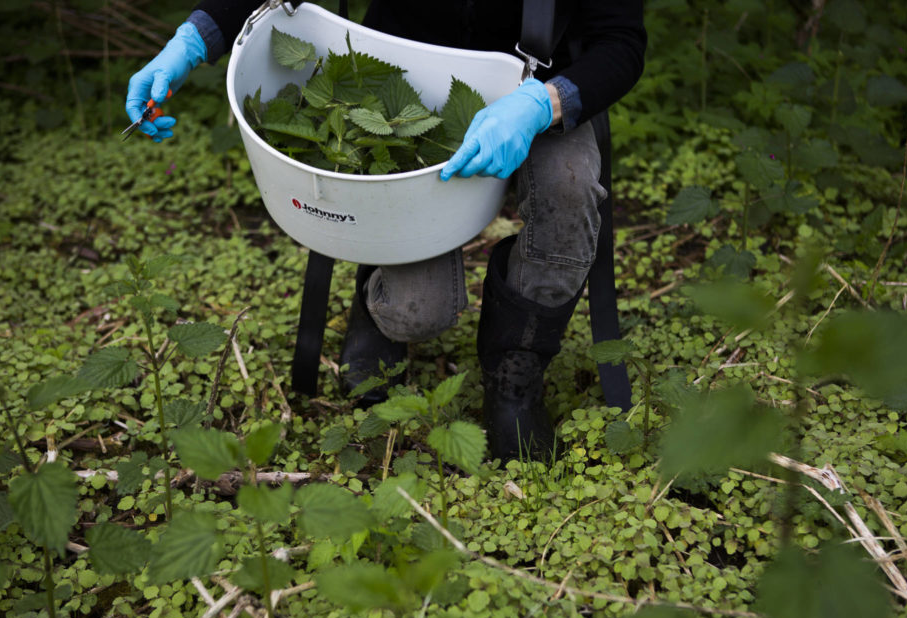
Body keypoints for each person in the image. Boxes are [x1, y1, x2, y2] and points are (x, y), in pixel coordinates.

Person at [125, 1, 646, 462]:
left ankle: (517, 372)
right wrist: (193, 40)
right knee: (417, 310)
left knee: (569, 187)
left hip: (541, 87)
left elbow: (620, 42)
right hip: (404, 86)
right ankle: (377, 296)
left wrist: (544, 104)